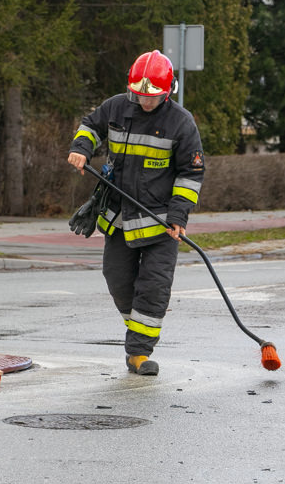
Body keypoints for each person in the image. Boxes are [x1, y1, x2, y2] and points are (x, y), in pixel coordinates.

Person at [67, 50, 205, 376]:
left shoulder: (181, 123)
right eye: (138, 96)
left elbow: (190, 174)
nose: (143, 103)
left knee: (153, 288)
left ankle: (139, 354)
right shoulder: (117, 106)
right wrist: (81, 148)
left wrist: (178, 217)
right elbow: (90, 125)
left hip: (159, 225)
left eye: (151, 98)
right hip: (118, 218)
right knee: (117, 280)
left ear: (167, 91)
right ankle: (138, 331)